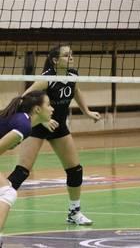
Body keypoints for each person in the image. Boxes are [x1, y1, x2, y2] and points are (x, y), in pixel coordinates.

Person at [7, 45, 101, 226]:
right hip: (37, 127)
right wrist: (43, 120)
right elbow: (23, 100)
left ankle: (74, 213)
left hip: (59, 127)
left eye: (71, 54)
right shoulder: (46, 79)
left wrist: (87, 111)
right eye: (66, 55)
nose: (71, 57)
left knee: (75, 170)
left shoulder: (72, 75)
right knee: (22, 172)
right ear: (55, 60)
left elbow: (76, 91)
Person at [0, 91, 53, 246]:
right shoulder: (23, 126)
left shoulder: (22, 122)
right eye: (48, 105)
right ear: (37, 109)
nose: (52, 109)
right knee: (7, 192)